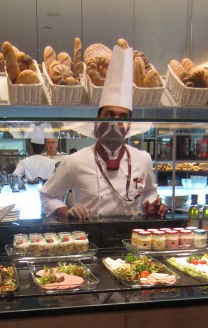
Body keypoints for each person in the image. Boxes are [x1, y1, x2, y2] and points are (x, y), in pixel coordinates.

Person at [40, 45, 167, 219]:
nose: (115, 122)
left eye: (122, 117)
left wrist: (151, 204)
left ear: (129, 124)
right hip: (90, 239)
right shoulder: (74, 162)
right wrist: (67, 212)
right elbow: (47, 195)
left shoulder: (143, 159)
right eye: (109, 114)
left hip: (133, 238)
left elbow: (148, 192)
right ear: (98, 120)